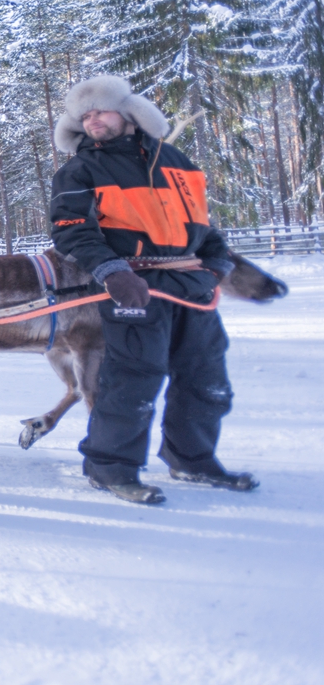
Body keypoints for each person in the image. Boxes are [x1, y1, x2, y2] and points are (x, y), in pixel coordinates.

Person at [50, 75, 257, 504]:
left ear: (127, 113)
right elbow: (71, 231)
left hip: (190, 285)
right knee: (133, 380)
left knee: (206, 377)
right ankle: (110, 468)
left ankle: (193, 458)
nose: (93, 121)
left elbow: (201, 224)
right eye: (84, 116)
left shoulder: (176, 162)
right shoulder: (80, 169)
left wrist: (217, 262)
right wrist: (111, 270)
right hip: (132, 285)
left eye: (100, 111)